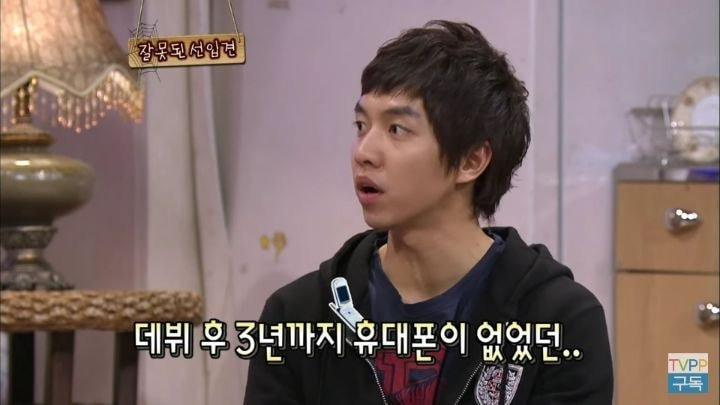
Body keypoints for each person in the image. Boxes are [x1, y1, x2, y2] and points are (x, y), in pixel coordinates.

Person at [244, 20, 613, 405]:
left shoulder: (560, 320)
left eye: (397, 130)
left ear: (471, 161)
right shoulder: (298, 316)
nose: (363, 152)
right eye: (361, 125)